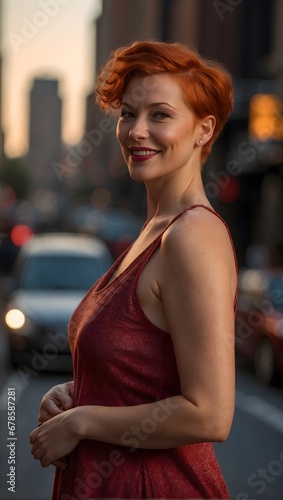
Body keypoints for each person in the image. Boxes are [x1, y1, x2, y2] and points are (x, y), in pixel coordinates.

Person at [30, 40, 238, 499]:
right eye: (128, 114)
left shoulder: (192, 235)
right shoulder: (151, 233)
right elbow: (143, 374)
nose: (136, 131)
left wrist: (84, 421)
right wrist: (76, 396)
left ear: (203, 130)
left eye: (160, 115)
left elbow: (209, 413)